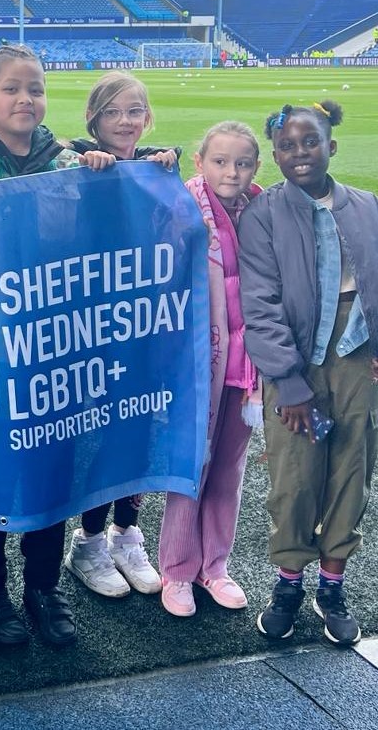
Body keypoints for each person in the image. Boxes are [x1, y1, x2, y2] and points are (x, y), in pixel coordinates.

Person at [0, 44, 115, 647]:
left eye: (34, 89)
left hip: (51, 345)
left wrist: (131, 170)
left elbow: (123, 202)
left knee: (50, 468)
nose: (25, 99)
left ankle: (42, 586)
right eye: (11, 89)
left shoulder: (67, 158)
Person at [238, 100, 378, 646]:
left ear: (332, 146)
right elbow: (260, 305)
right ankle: (287, 583)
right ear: (274, 154)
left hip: (359, 359)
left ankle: (332, 584)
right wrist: (289, 382)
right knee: (295, 477)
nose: (299, 154)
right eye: (286, 146)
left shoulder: (372, 209)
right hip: (296, 363)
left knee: (352, 471)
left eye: (310, 142)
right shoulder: (263, 215)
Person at [59, 72, 177, 599]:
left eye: (134, 111)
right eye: (113, 112)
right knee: (102, 431)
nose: (125, 122)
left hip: (146, 324)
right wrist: (83, 164)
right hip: (95, 326)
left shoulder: (156, 166)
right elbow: (56, 161)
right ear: (94, 120)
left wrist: (164, 163)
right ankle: (86, 543)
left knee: (142, 427)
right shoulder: (75, 160)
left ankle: (127, 533)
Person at [158, 122, 263, 617]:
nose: (232, 172)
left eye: (242, 163)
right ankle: (177, 569)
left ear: (255, 168)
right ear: (199, 162)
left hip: (249, 364)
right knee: (191, 465)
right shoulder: (181, 206)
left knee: (228, 468)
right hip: (197, 361)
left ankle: (214, 565)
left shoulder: (264, 210)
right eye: (220, 161)